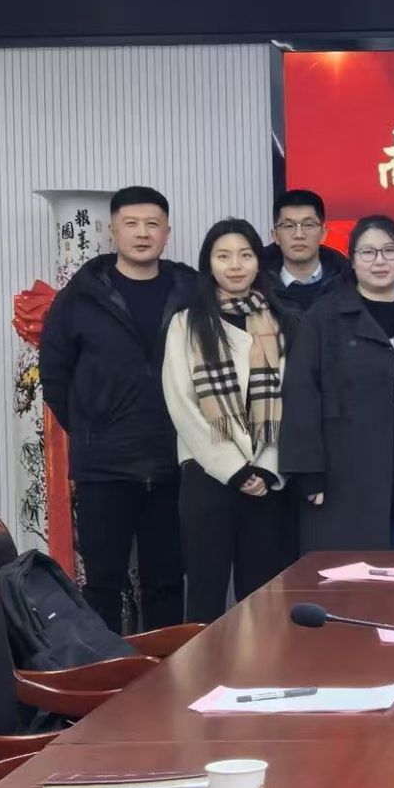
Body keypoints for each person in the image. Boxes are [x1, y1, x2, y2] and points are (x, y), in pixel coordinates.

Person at [40, 185, 193, 632]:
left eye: (152, 224)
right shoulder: (81, 296)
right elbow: (55, 372)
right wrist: (92, 427)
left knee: (167, 580)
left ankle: (167, 668)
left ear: (167, 233)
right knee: (102, 584)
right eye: (131, 224)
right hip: (104, 467)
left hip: (175, 461)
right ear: (113, 231)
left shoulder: (191, 290)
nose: (142, 233)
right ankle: (107, 668)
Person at [281, 216, 394, 552]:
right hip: (346, 470)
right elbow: (302, 395)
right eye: (368, 252)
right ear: (352, 259)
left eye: (389, 250)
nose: (379, 261)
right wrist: (308, 471)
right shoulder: (324, 318)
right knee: (357, 572)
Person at [161, 219, 294, 623]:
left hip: (266, 478)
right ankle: (203, 665)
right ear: (209, 264)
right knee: (206, 591)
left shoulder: (282, 321)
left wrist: (266, 468)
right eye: (223, 256)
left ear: (258, 262)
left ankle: (262, 663)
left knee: (264, 596)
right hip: (209, 474)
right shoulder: (187, 322)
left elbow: (292, 400)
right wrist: (233, 469)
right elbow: (182, 402)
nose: (235, 265)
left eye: (245, 255)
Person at [261, 188, 349, 314]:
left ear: (323, 233)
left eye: (308, 225)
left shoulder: (348, 282)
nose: (299, 235)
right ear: (275, 235)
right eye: (289, 226)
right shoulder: (258, 288)